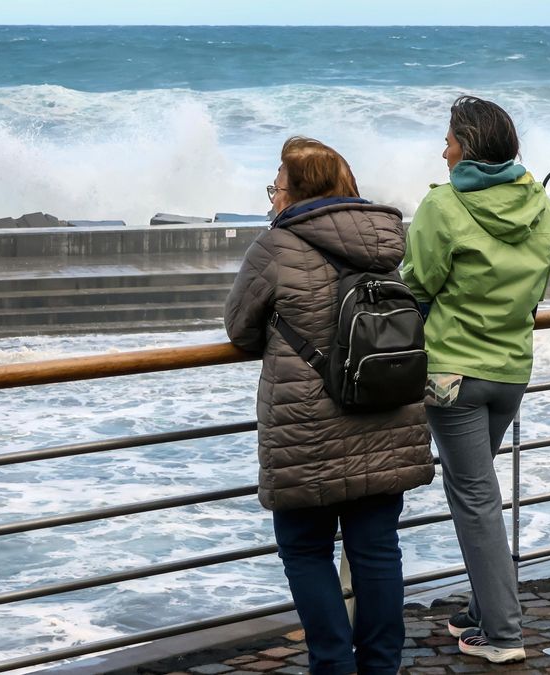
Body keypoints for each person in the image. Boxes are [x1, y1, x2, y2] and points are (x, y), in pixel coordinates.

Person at [224, 136, 435, 675]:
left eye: (276, 187)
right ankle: (381, 666)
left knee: (304, 550)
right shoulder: (386, 242)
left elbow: (239, 329)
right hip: (383, 416)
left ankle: (333, 665)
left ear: (298, 192)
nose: (272, 198)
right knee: (377, 551)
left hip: (305, 426)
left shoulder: (275, 248)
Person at [401, 95, 550, 664]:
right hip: (512, 368)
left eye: (447, 141)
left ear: (466, 147)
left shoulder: (442, 207)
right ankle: (481, 610)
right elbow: (540, 279)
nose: (442, 152)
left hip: (452, 375)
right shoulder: (540, 200)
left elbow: (416, 286)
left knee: (474, 498)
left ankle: (503, 634)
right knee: (479, 490)